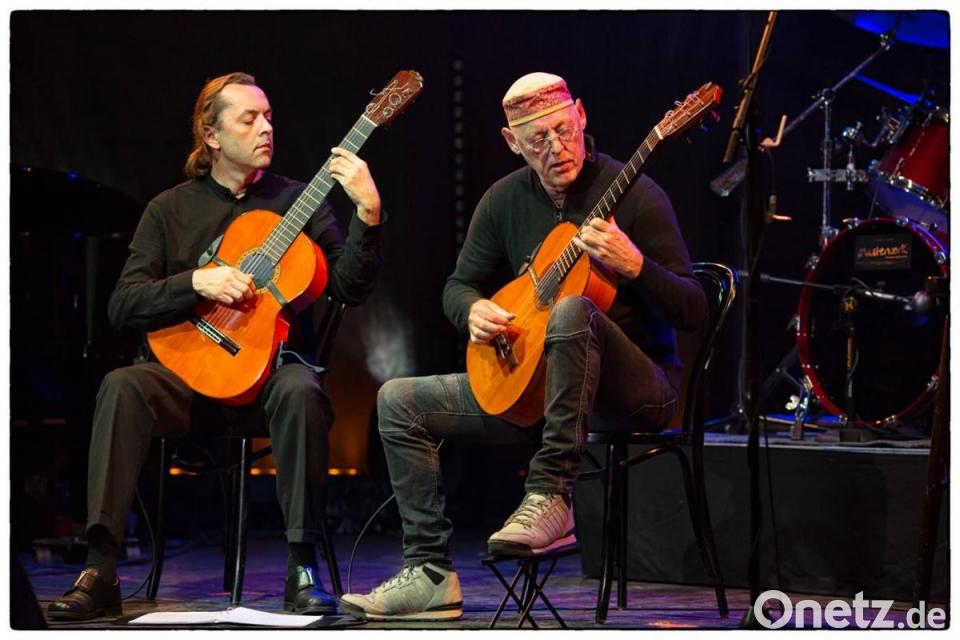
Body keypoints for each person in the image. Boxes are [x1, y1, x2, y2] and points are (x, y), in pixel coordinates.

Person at [340, 72, 706, 621]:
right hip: (539, 393)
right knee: (398, 400)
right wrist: (472, 310)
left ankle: (550, 495)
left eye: (564, 130)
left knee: (573, 310)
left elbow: (694, 310)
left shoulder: (636, 194)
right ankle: (430, 572)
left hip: (637, 392)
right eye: (538, 140)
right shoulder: (504, 200)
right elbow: (456, 287)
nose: (557, 148)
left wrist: (636, 266)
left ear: (581, 115)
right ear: (512, 142)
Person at [47, 72, 385, 620]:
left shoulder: (297, 200)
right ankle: (100, 567)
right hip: (187, 383)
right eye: (249, 119)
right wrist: (195, 283)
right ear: (211, 135)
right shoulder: (168, 209)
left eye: (269, 116)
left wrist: (368, 215)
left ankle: (302, 567)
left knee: (301, 389)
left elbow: (349, 288)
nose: (266, 128)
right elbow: (122, 305)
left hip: (268, 381)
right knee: (122, 386)